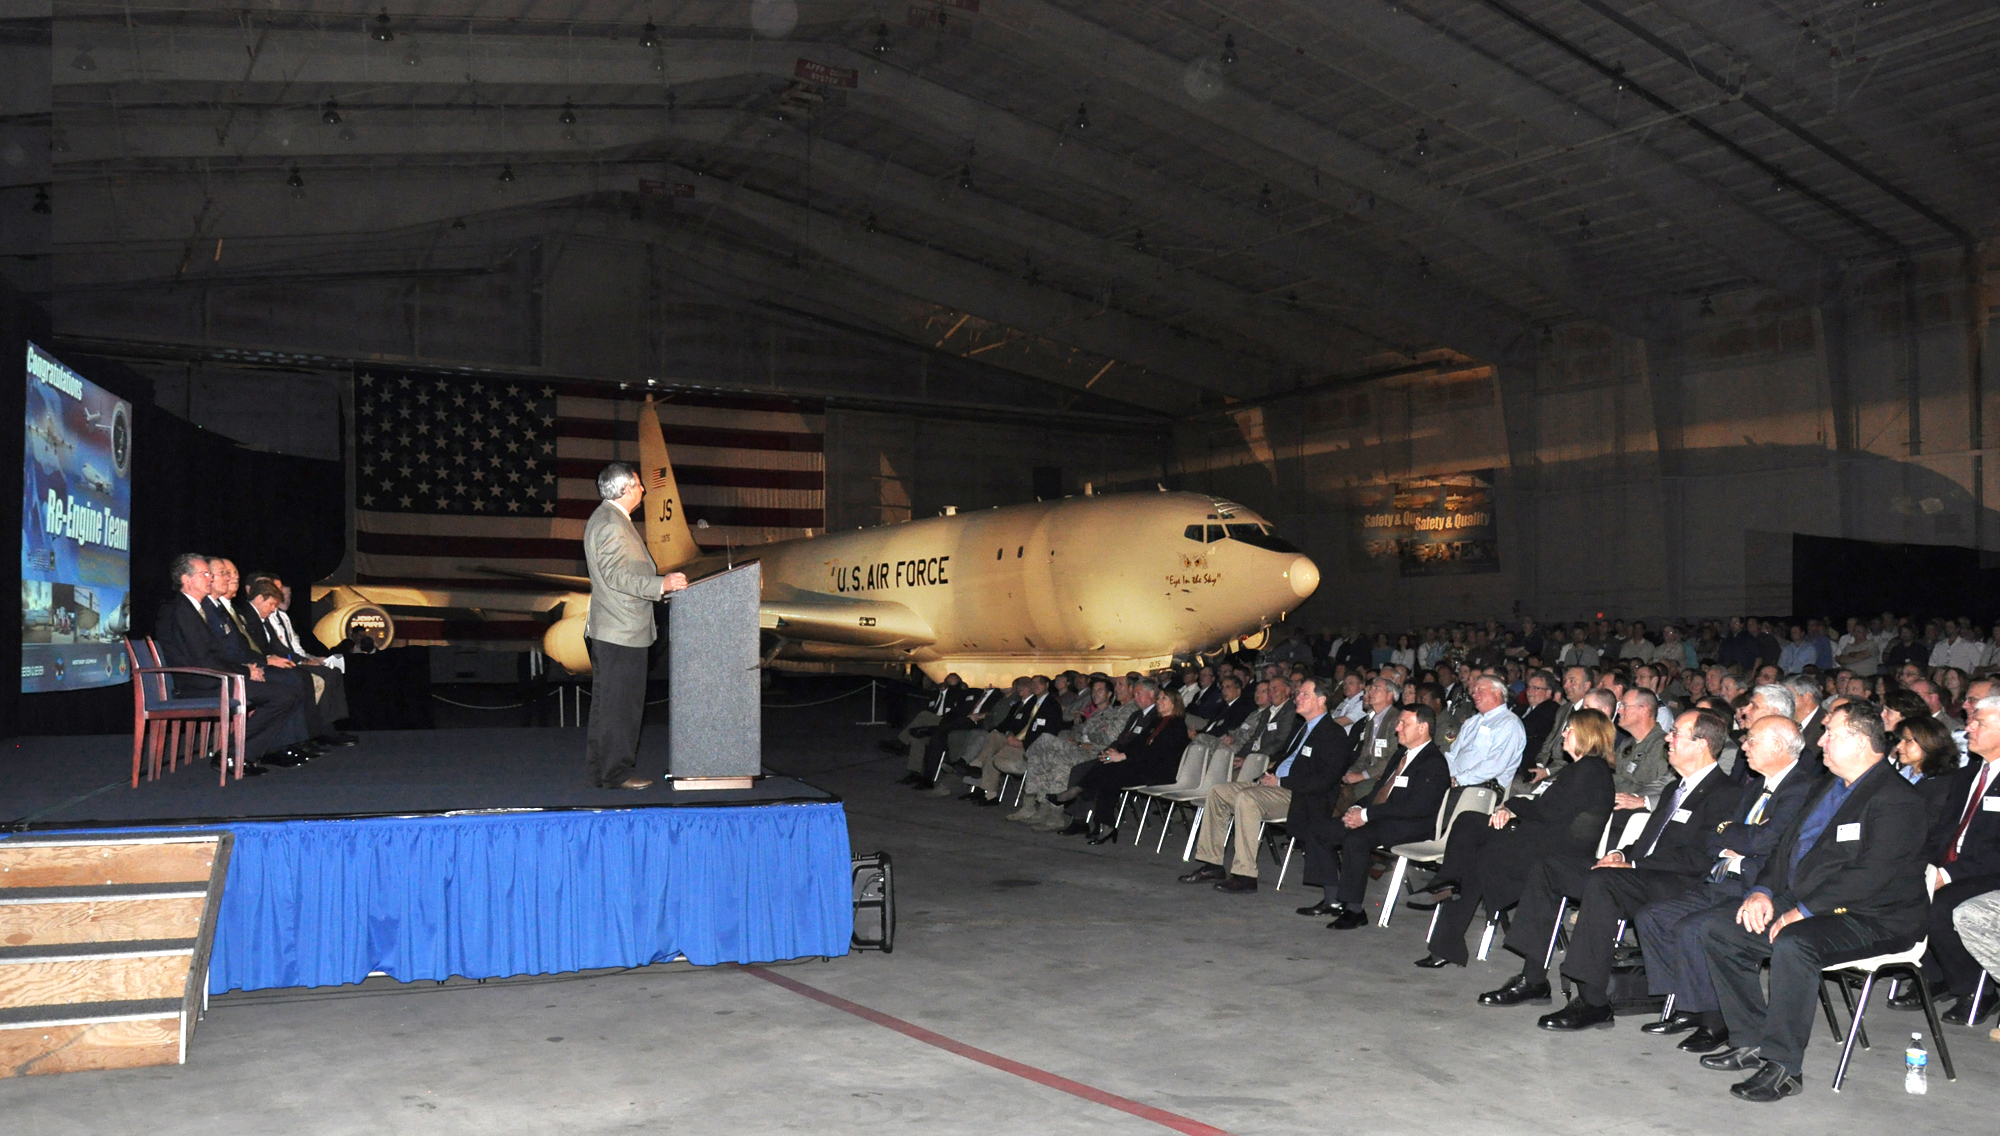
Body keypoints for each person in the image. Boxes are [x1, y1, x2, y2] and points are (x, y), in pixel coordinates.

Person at [1694, 701, 1930, 1102]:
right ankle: (1750, 1038)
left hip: (1875, 916)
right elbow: (1784, 849)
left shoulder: (1896, 799)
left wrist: (1799, 912)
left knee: (1794, 943)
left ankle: (1784, 1067)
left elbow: (1870, 876)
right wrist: (1763, 892)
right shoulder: (1826, 785)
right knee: (1718, 928)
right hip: (1807, 901)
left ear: (1858, 742)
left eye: (1830, 734)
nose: (1819, 742)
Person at [1521, 710, 1744, 1030]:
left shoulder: (1726, 794)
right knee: (1551, 867)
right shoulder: (1673, 790)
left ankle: (1593, 1000)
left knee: (1603, 882)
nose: (1668, 738)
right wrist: (1618, 853)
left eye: (1676, 733)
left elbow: (1699, 857)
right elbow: (1647, 841)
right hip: (1641, 873)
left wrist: (1634, 864)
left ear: (1701, 744)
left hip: (1680, 883)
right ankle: (1532, 978)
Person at [1632, 716, 1820, 1053]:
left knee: (1696, 927)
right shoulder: (1754, 787)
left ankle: (1714, 1019)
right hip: (1724, 876)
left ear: (1777, 746)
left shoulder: (1801, 789)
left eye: (1751, 740)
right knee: (1653, 917)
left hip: (1759, 884)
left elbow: (1767, 841)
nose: (1744, 747)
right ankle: (1688, 1005)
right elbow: (1710, 834)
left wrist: (1729, 836)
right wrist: (1728, 836)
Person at [1411, 708, 1617, 968]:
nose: (1564, 734)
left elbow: (1547, 811)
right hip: (1545, 840)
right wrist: (1511, 810)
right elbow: (1549, 810)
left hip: (1555, 853)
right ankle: (1447, 892)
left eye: (1570, 729)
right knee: (1471, 830)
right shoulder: (1587, 770)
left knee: (1473, 844)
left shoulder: (1587, 771)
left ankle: (1445, 891)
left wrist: (1512, 804)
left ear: (1587, 735)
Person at [151, 553, 312, 773]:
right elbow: (204, 659)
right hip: (200, 684)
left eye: (210, 573)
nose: (210, 578)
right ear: (186, 580)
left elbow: (215, 655)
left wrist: (244, 670)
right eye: (204, 573)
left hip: (214, 677)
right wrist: (245, 672)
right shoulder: (181, 611)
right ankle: (232, 754)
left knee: (285, 692)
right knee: (283, 695)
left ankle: (238, 754)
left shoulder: (193, 609)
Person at [581, 462, 688, 790]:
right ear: (625, 489)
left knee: (608, 705)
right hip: (621, 632)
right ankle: (617, 773)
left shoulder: (608, 519)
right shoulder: (612, 524)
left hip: (614, 629)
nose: (643, 489)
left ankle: (602, 771)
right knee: (621, 708)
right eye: (639, 484)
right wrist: (662, 585)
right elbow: (617, 577)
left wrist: (658, 590)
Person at [1179, 677, 1336, 893]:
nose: (1297, 698)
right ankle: (1211, 863)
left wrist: (1281, 781)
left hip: (1297, 794)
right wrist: (1270, 773)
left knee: (1247, 799)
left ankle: (1245, 874)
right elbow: (1286, 758)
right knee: (1218, 791)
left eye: (1304, 694)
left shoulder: (1332, 733)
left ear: (1321, 700)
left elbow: (1324, 779)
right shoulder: (1303, 728)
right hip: (1274, 786)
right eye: (1298, 693)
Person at [1910, 693, 2000, 1026]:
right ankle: (1934, 975)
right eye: (1971, 720)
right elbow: (1944, 831)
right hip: (1956, 865)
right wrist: (1918, 863)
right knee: (1897, 887)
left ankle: (1977, 988)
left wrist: (1947, 874)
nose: (1969, 727)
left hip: (1990, 872)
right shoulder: (1968, 776)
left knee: (1938, 906)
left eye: (1979, 722)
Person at [1321, 704, 1451, 929]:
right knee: (1321, 831)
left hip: (1413, 825)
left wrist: (1366, 815)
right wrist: (1357, 810)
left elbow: (1415, 808)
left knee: (1356, 839)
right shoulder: (1401, 754)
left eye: (1404, 724)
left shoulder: (1433, 763)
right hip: (1384, 816)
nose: (1397, 728)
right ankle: (1332, 898)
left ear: (1423, 728)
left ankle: (1354, 910)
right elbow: (1379, 792)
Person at [1064, 683, 1188, 845]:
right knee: (1107, 766)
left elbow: (1156, 752)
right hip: (1145, 765)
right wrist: (1113, 754)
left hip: (1161, 771)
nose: (1159, 701)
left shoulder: (1177, 725)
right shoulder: (1156, 722)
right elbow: (1137, 744)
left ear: (1175, 703)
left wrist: (1123, 756)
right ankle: (1103, 823)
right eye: (1158, 698)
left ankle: (1081, 793)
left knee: (1112, 773)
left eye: (1164, 698)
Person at [1444, 675, 1527, 789]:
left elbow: (1495, 765)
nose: (1474, 694)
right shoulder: (1472, 722)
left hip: (1481, 788)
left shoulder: (1509, 723)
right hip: (1455, 782)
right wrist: (1444, 776)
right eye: (1473, 691)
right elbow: (1453, 754)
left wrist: (1459, 780)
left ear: (1497, 692)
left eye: (1480, 690)